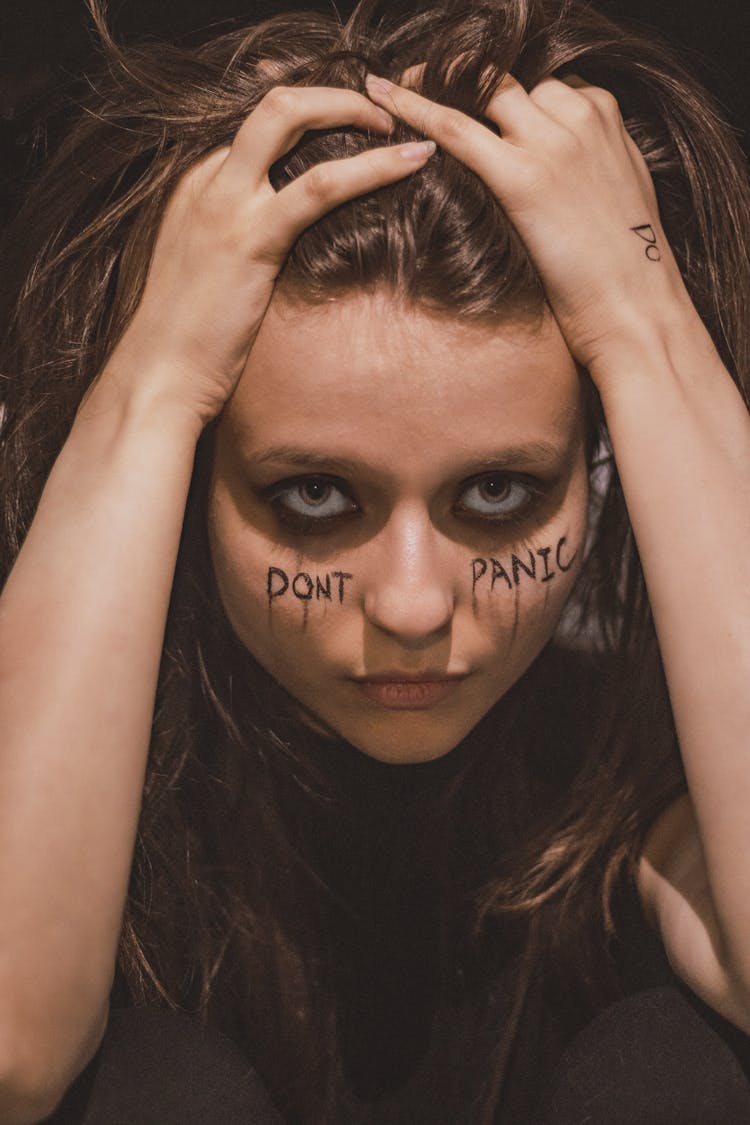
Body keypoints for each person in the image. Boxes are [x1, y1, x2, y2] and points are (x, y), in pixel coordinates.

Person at [1, 0, 750, 1121]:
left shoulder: (646, 785)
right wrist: (150, 383)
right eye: (313, 495)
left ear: (598, 468)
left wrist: (643, 325)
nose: (410, 603)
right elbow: (11, 1046)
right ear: (192, 478)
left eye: (499, 495)